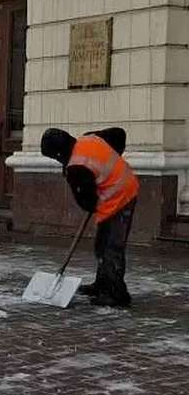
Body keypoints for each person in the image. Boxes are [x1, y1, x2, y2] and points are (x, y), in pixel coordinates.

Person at [41, 127, 139, 308]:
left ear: (59, 153)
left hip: (121, 196)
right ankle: (102, 284)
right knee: (102, 245)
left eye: (55, 157)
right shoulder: (88, 139)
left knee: (111, 247)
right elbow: (118, 133)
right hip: (119, 189)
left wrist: (92, 196)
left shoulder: (77, 167)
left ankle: (117, 295)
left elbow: (86, 201)